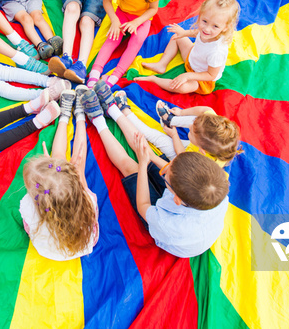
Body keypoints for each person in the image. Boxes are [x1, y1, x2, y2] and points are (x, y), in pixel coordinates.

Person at [81, 82, 229, 258]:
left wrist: (143, 165)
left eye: (167, 178)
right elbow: (171, 168)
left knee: (130, 167)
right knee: (145, 151)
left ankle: (98, 120)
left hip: (169, 228)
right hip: (187, 208)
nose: (166, 171)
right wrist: (149, 156)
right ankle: (113, 109)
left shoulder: (166, 223)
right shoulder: (213, 189)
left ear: (175, 197)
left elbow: (143, 205)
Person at [20, 87, 99, 261]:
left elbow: (28, 223)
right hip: (83, 244)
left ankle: (64, 116)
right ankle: (79, 116)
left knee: (58, 159)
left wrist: (53, 165)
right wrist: (72, 172)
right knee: (79, 165)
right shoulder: (87, 202)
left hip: (46, 249)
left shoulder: (29, 206)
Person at [136, 0, 239, 94]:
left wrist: (188, 75)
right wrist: (184, 33)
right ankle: (162, 64)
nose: (207, 29)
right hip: (192, 58)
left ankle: (155, 79)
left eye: (215, 26)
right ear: (201, 14)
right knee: (177, 37)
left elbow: (211, 75)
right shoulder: (206, 32)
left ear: (226, 27)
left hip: (202, 78)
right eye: (204, 21)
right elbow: (198, 33)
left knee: (182, 87)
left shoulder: (217, 52)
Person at [112, 92, 242, 165]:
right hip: (198, 146)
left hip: (183, 159)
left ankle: (125, 111)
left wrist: (174, 135)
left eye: (191, 131)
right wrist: (181, 113)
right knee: (196, 121)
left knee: (159, 138)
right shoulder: (211, 121)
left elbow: (181, 154)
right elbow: (205, 110)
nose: (190, 127)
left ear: (201, 149)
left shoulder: (198, 157)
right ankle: (170, 120)